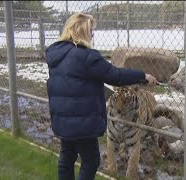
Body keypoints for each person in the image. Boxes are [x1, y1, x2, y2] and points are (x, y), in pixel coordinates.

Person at [45, 12, 158, 180]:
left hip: (62, 118)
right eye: (91, 30)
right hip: (82, 120)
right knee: (91, 160)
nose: (93, 35)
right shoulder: (86, 57)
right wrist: (142, 76)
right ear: (83, 31)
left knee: (66, 157)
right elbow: (116, 75)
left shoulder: (56, 55)